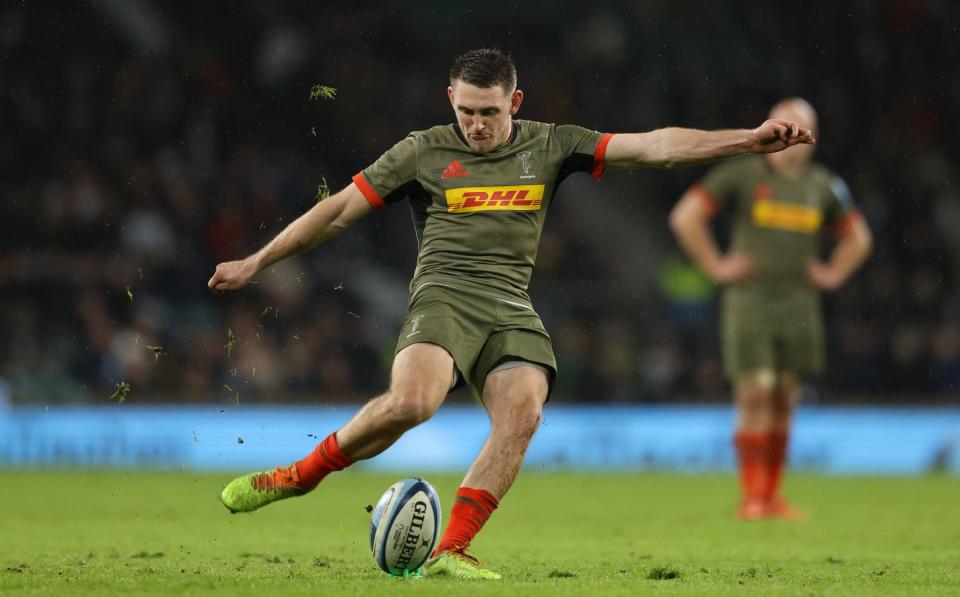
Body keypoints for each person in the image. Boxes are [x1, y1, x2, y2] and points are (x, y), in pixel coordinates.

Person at [209, 49, 814, 578]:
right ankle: (296, 476)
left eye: (488, 112)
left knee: (523, 414)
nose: (474, 124)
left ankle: (452, 551)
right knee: (413, 404)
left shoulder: (551, 144)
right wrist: (257, 261)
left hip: (510, 306)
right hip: (444, 295)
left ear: (514, 103)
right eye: (465, 110)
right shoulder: (422, 152)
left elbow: (653, 146)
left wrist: (746, 138)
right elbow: (337, 211)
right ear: (451, 98)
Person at [668, 98, 872, 521]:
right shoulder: (743, 172)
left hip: (800, 304)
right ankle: (752, 498)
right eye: (789, 124)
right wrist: (716, 266)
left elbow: (859, 238)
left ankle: (773, 496)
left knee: (785, 398)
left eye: (804, 127)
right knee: (755, 393)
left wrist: (833, 275)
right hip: (752, 301)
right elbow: (686, 216)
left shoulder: (822, 185)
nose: (795, 135)